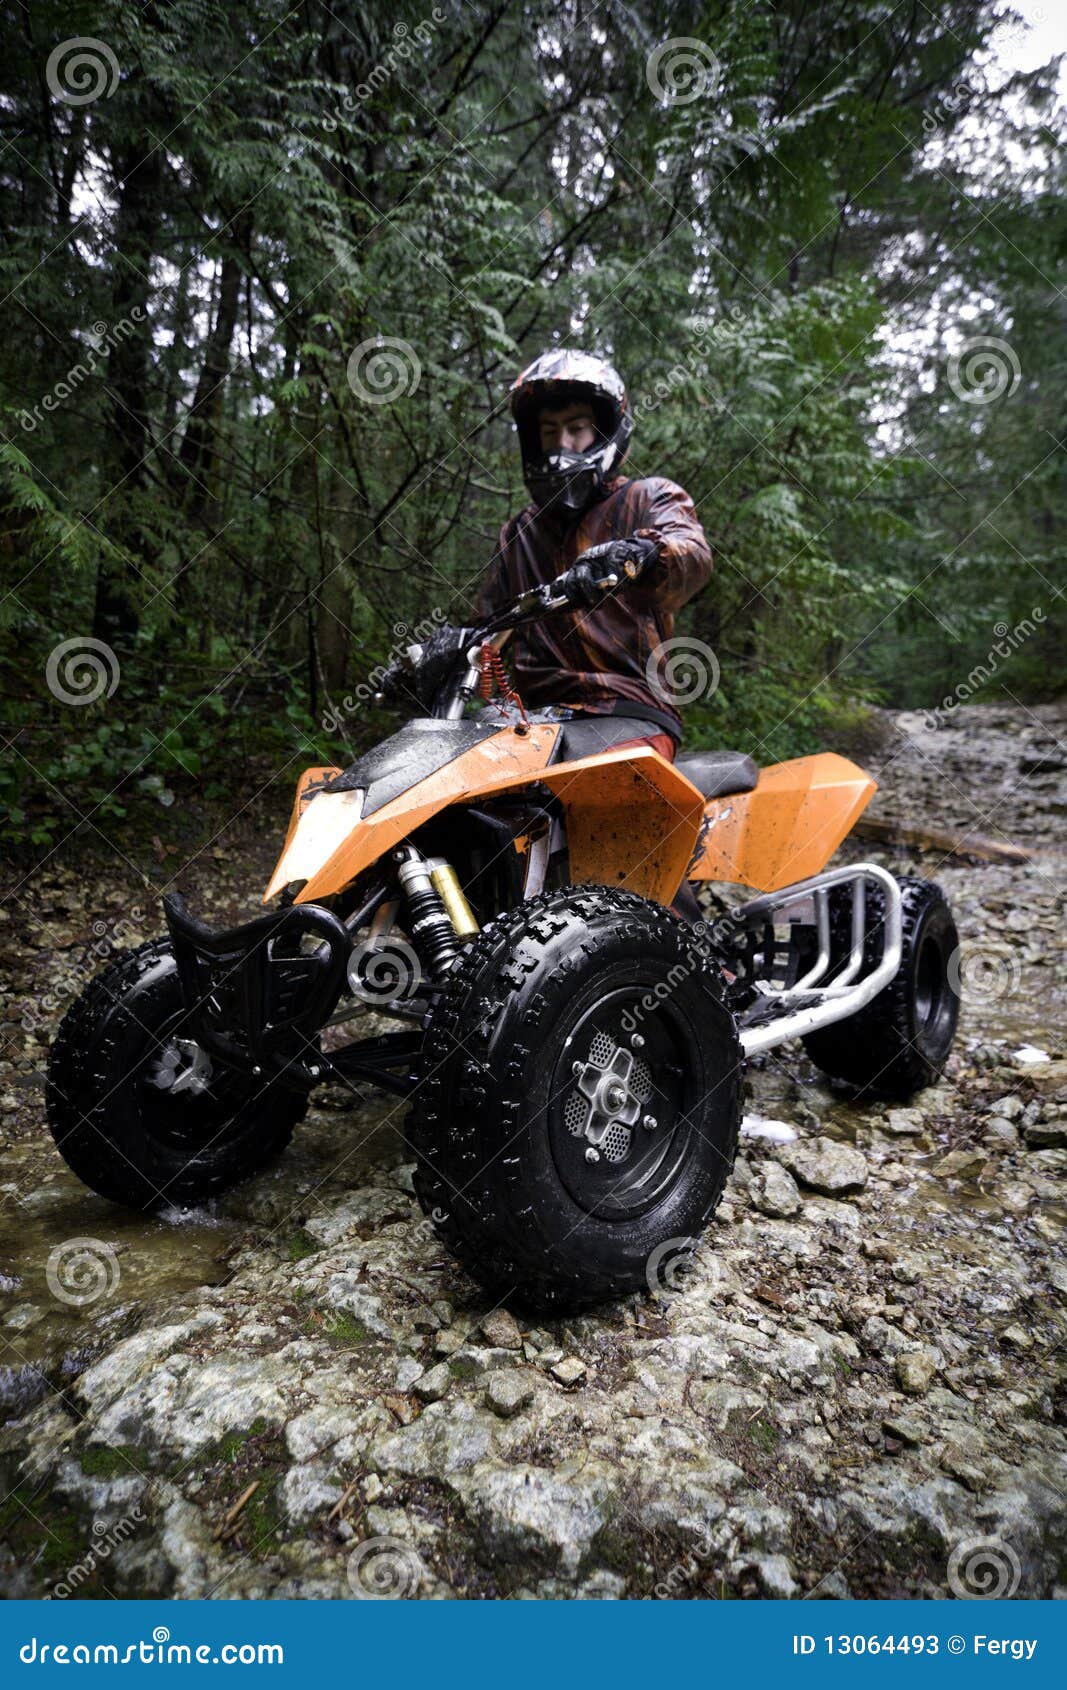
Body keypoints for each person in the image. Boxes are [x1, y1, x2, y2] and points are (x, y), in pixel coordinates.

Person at [472, 348, 713, 764]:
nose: (560, 444)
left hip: (627, 707)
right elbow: (487, 626)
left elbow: (692, 556)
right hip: (531, 717)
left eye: (576, 429)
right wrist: (445, 651)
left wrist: (641, 553)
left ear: (605, 433)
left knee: (591, 793)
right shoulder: (520, 533)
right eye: (548, 431)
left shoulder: (647, 497)